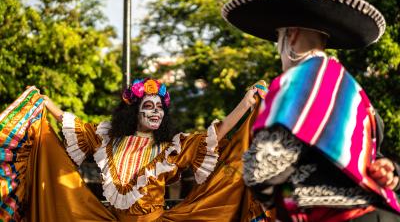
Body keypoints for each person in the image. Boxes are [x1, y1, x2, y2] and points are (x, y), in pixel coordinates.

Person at [221, 0, 400, 221]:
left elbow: (264, 172)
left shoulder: (296, 82)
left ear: (291, 35)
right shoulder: (354, 92)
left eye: (278, 38)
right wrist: (390, 170)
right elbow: (367, 158)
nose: (278, 49)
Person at [0, 78, 271, 221]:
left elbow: (219, 131)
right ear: (134, 113)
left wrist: (246, 103)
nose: (156, 113)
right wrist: (45, 104)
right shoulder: (108, 139)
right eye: (149, 106)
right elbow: (77, 127)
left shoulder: (172, 146)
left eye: (160, 108)